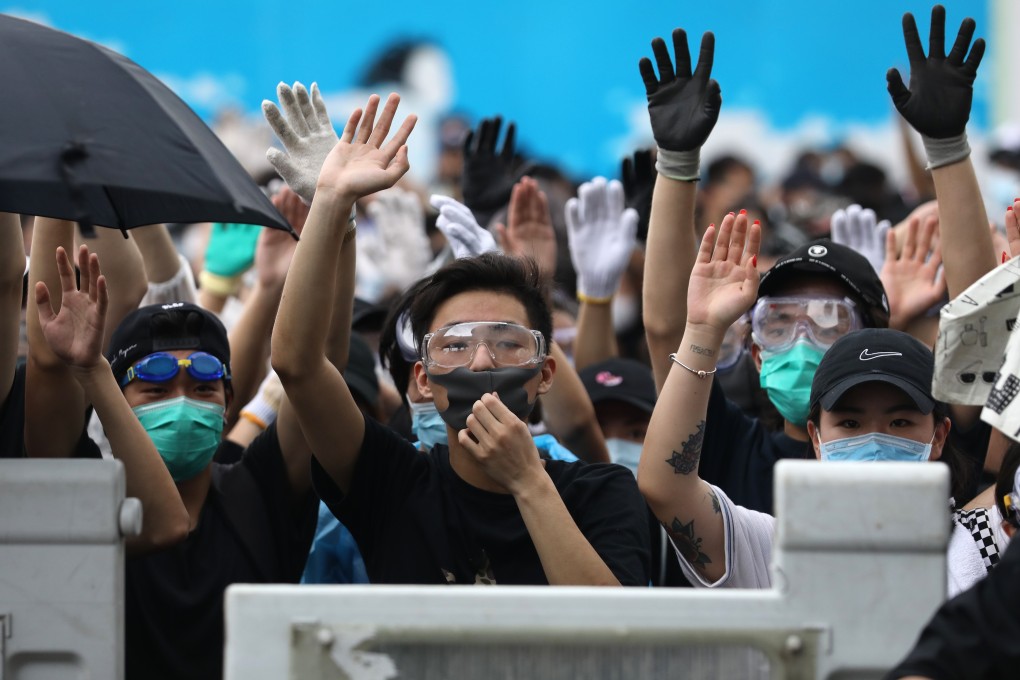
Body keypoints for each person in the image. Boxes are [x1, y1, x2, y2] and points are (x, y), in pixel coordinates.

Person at [271, 92, 650, 585]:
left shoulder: (602, 492)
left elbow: (611, 624)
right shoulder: (389, 481)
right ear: (423, 379)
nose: (482, 361)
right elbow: (298, 366)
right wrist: (331, 202)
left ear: (545, 373)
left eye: (508, 342)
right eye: (454, 345)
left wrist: (527, 482)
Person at [638, 215, 973, 593]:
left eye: (900, 423)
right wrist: (702, 330)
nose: (874, 441)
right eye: (850, 424)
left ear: (940, 435)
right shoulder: (773, 549)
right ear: (816, 438)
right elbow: (665, 486)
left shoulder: (979, 544)